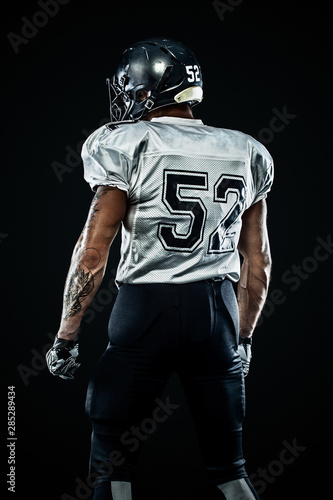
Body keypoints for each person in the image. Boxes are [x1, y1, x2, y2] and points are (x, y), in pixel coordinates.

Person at [46, 37, 273, 500]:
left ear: (148, 91)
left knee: (112, 466)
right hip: (218, 314)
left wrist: (66, 336)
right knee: (231, 470)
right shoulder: (247, 150)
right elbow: (260, 262)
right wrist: (243, 338)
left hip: (143, 313)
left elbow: (93, 252)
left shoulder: (126, 143)